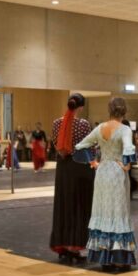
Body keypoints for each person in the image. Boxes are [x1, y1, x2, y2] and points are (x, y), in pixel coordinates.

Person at [75, 97, 138, 272]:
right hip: (117, 174)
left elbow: (80, 146)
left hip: (102, 173)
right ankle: (119, 260)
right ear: (124, 111)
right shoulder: (125, 129)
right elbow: (128, 149)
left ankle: (105, 259)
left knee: (102, 211)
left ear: (109, 110)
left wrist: (93, 162)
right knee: (118, 212)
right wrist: (126, 164)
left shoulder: (99, 128)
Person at [49, 93, 95, 264]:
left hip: (62, 169)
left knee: (64, 205)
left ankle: (62, 245)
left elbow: (57, 145)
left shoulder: (56, 123)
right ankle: (74, 246)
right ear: (81, 107)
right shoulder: (83, 124)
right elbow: (88, 147)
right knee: (78, 206)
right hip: (78, 169)